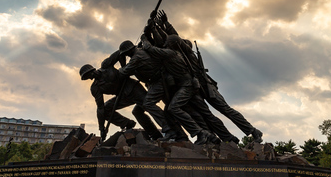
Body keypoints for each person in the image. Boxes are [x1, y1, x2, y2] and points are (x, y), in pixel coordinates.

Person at [154, 10, 263, 143]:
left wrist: (166, 24)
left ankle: (253, 131)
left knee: (226, 110)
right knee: (208, 116)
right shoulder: (179, 54)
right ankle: (228, 138)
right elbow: (169, 40)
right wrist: (158, 26)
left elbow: (174, 38)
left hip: (207, 86)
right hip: (197, 88)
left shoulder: (187, 53)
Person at [80, 50, 161, 140]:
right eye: (87, 77)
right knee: (106, 109)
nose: (90, 77)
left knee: (148, 106)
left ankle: (170, 129)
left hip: (133, 88)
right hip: (123, 96)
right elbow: (100, 108)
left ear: (92, 69)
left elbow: (120, 53)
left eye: (88, 74)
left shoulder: (106, 65)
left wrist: (124, 68)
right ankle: (127, 124)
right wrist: (101, 128)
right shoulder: (95, 88)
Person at [118, 40, 188, 141]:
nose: (126, 56)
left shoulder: (137, 57)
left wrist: (121, 65)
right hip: (154, 83)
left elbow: (124, 72)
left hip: (159, 82)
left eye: (125, 54)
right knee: (138, 110)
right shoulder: (139, 53)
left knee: (148, 104)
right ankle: (161, 134)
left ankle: (169, 130)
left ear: (128, 51)